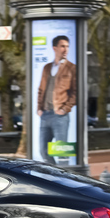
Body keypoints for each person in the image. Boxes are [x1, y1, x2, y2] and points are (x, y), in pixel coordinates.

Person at [37, 35, 77, 164]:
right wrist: (39, 108)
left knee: (62, 153)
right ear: (54, 48)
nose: (65, 49)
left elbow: (76, 92)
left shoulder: (72, 68)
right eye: (62, 46)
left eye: (67, 46)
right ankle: (52, 178)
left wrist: (65, 109)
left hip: (60, 116)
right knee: (43, 150)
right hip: (45, 114)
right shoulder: (47, 67)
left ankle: (62, 181)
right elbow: (41, 89)